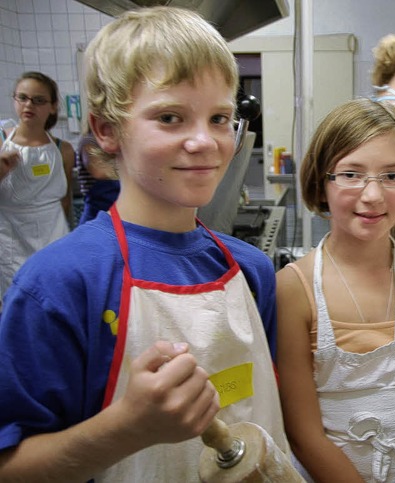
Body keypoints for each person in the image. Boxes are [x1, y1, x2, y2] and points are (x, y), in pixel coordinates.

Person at [0, 7, 288, 482]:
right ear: (107, 130)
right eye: (171, 117)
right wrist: (127, 429)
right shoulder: (60, 283)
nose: (204, 141)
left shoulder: (251, 271)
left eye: (220, 118)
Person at [276, 98, 395, 482]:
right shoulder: (294, 289)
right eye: (351, 174)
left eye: (393, 176)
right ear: (321, 182)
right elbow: (304, 434)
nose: (373, 195)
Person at [0, 71, 75, 299]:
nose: (28, 105)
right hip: (11, 237)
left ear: (52, 107)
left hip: (52, 233)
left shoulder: (63, 149)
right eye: (22, 98)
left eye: (38, 100)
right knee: (14, 299)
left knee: (54, 295)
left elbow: (66, 199)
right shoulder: (2, 141)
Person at [75, 123, 120, 224]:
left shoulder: (115, 143)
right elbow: (99, 172)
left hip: (114, 208)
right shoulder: (89, 141)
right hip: (96, 210)